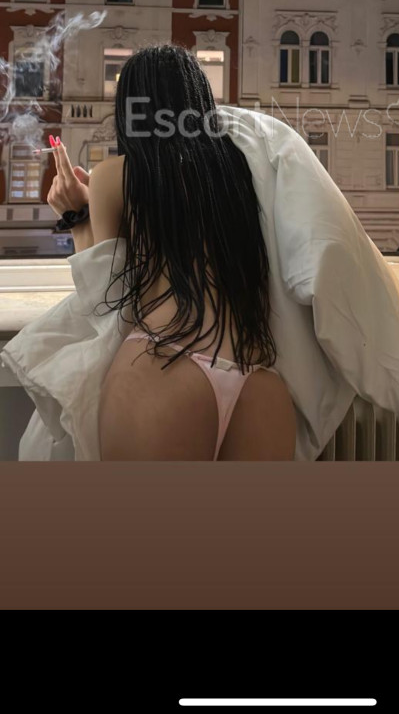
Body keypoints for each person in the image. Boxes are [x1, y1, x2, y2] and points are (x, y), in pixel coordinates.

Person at [45, 44, 297, 462]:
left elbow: (105, 295)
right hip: (259, 378)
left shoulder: (116, 174)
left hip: (164, 362)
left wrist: (75, 214)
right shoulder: (239, 171)